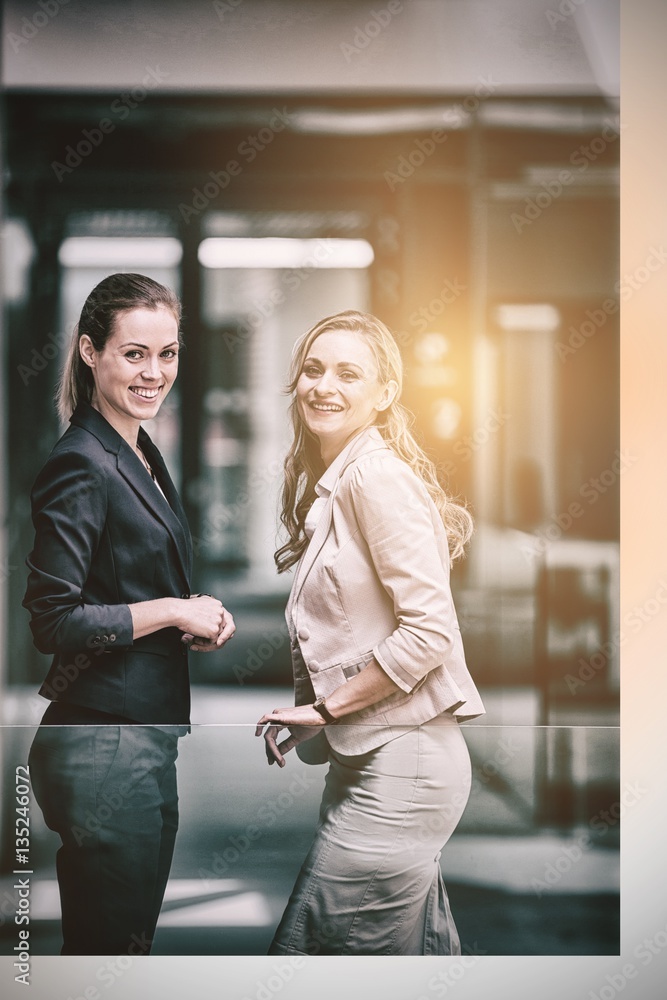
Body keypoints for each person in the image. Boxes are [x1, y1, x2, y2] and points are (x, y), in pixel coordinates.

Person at [256, 310, 485, 956]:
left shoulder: (374, 478)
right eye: (312, 369)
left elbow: (428, 633)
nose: (323, 386)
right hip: (373, 757)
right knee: (403, 957)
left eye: (348, 373)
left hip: (404, 765)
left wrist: (325, 708)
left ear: (384, 393)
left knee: (320, 956)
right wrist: (326, 719)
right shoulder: (340, 482)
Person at [23, 272, 235, 955]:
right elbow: (53, 621)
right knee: (110, 959)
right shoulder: (83, 462)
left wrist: (185, 619)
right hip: (103, 742)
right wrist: (174, 607)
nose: (154, 373)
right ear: (90, 352)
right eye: (134, 354)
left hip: (135, 737)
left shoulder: (136, 450)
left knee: (119, 951)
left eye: (167, 354)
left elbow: (125, 583)